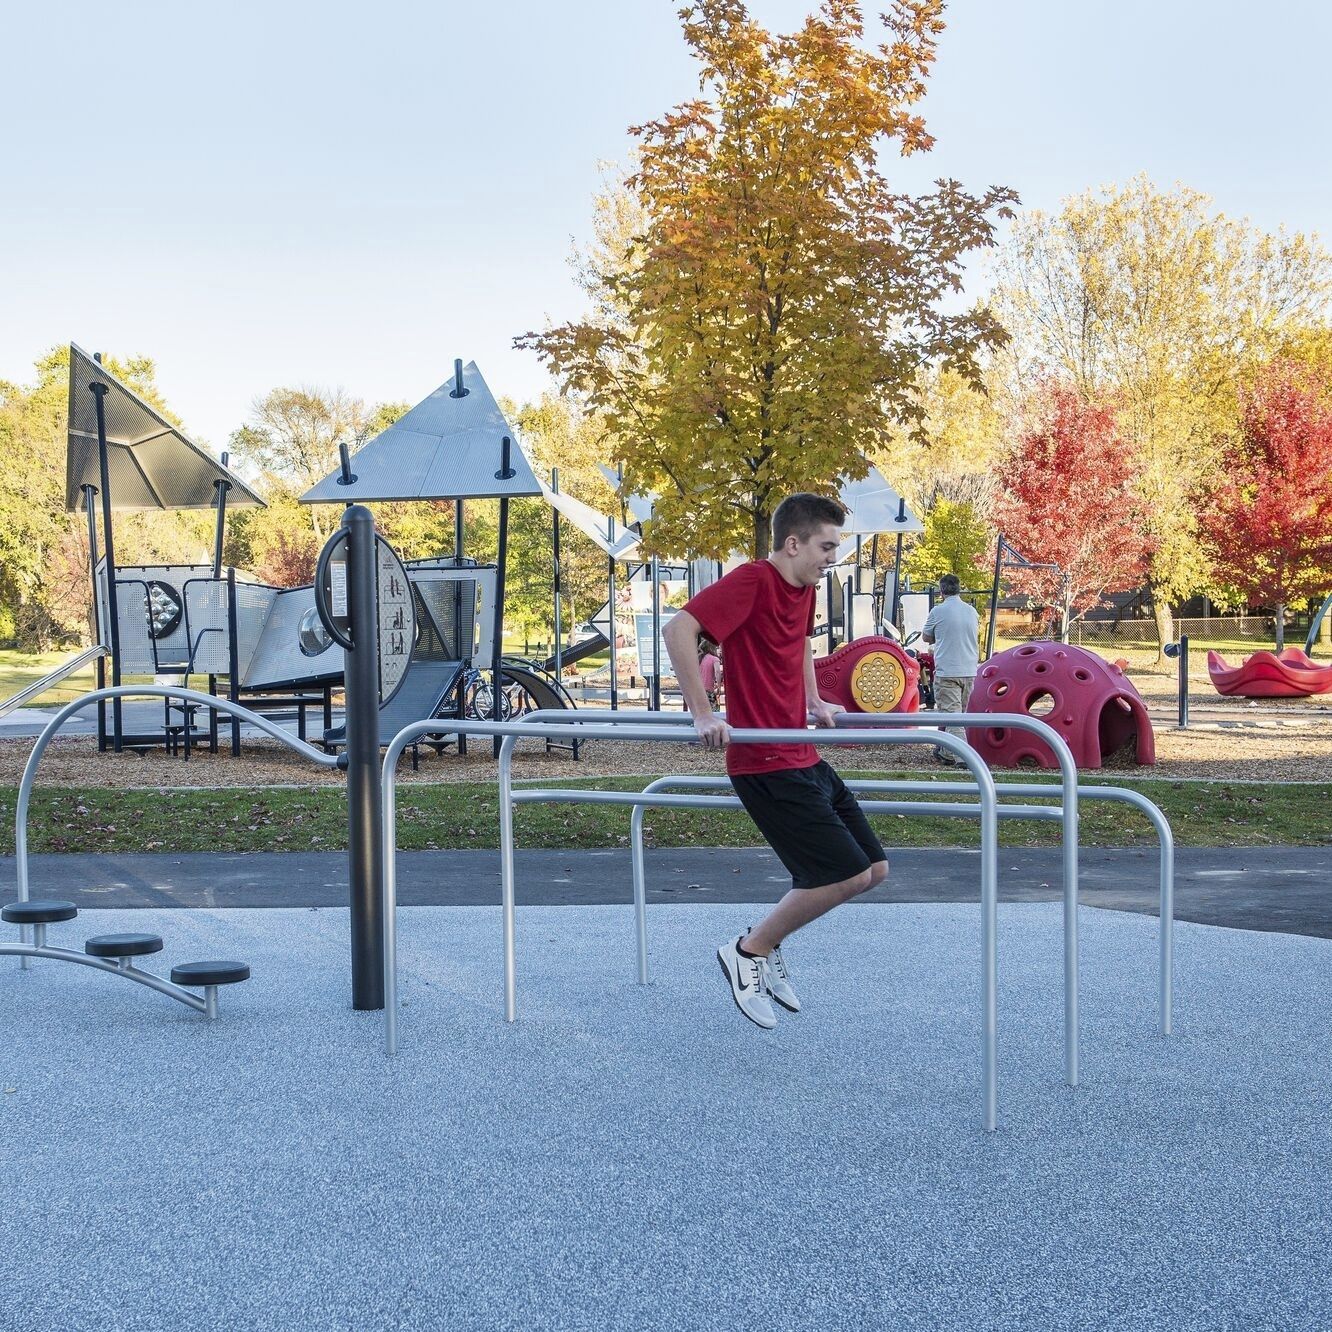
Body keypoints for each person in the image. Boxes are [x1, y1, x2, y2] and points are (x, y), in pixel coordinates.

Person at [663, 494, 889, 1030]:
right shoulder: (753, 580)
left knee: (874, 869)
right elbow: (679, 630)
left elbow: (800, 645)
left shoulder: (806, 588)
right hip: (765, 761)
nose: (833, 557)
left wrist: (814, 702)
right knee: (846, 873)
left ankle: (765, 945)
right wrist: (702, 712)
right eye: (827, 546)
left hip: (800, 752)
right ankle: (747, 952)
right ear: (793, 543)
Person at [921, 572, 980, 763]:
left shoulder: (938, 611)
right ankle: (946, 752)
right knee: (959, 715)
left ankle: (963, 757)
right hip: (970, 669)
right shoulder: (972, 611)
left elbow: (926, 637)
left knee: (952, 716)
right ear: (959, 589)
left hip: (948, 670)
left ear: (941, 591)